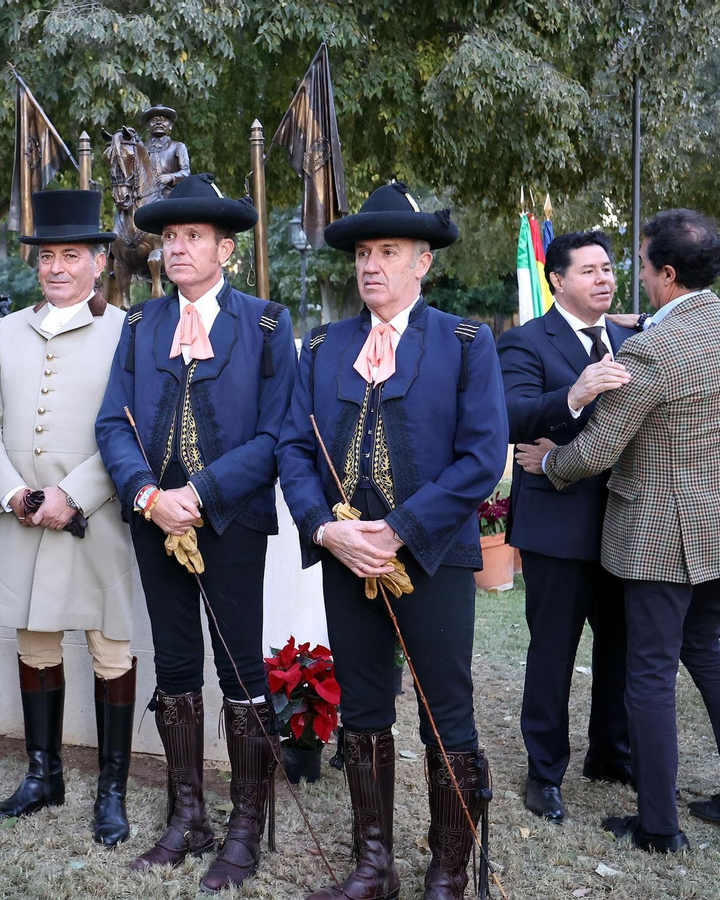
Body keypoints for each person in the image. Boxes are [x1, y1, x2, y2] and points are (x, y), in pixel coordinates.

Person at [516, 208, 720, 853]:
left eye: (632, 264)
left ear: (665, 273)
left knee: (652, 673)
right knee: (706, 649)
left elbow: (595, 451)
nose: (622, 276)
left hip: (663, 533)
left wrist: (547, 461)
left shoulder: (651, 351)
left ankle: (659, 826)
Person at [277, 182, 507, 900]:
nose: (371, 265)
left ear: (422, 261)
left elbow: (482, 457)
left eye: (389, 251)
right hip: (346, 557)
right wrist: (327, 528)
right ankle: (373, 867)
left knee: (446, 711)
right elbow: (294, 447)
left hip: (431, 557)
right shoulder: (323, 347)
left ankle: (448, 870)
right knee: (364, 709)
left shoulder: (466, 343)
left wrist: (401, 529)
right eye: (363, 253)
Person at [94, 172, 295, 892]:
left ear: (225, 249)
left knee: (240, 673)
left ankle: (245, 826)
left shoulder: (266, 324)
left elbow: (277, 435)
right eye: (170, 237)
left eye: (194, 237)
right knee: (176, 667)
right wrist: (149, 495)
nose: (177, 248)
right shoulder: (140, 325)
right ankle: (188, 816)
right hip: (155, 521)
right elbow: (112, 423)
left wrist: (200, 495)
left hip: (230, 522)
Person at [0, 189, 137, 843]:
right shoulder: (3, 332)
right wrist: (12, 492)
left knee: (109, 646)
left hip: (94, 517)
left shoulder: (127, 330)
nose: (57, 267)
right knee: (34, 640)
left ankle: (112, 789)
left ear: (99, 261)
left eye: (72, 255)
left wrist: (76, 494)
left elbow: (132, 425)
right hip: (23, 515)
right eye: (47, 256)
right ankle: (43, 776)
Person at [496, 230, 635, 824]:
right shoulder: (525, 341)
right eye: (589, 271)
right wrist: (573, 395)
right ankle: (545, 772)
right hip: (555, 526)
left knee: (621, 647)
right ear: (556, 280)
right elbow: (510, 415)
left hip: (628, 522)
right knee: (553, 652)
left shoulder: (633, 339)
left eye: (608, 268)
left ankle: (611, 753)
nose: (604, 279)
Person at [140, 106, 191, 195]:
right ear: (148, 126)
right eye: (154, 120)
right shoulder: (140, 149)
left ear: (170, 126)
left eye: (163, 120)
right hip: (143, 195)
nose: (158, 123)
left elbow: (186, 172)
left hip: (169, 195)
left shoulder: (178, 147)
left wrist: (170, 177)